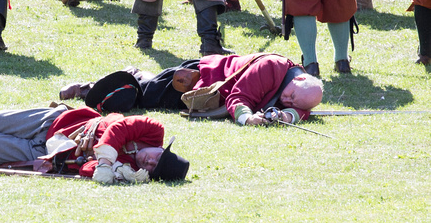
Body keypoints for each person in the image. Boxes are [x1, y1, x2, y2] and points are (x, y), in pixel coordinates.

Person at [60, 52, 324, 125]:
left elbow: (302, 110)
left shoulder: (299, 93)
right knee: (145, 98)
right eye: (289, 96)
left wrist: (287, 115)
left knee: (150, 92)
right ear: (299, 79)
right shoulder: (271, 67)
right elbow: (237, 98)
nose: (286, 100)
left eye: (291, 102)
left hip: (204, 95)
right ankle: (89, 88)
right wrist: (247, 118)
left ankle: (138, 74)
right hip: (199, 79)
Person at [0, 104, 190, 185]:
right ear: (162, 149)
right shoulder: (154, 130)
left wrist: (118, 172)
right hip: (55, 121)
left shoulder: (131, 171)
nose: (149, 161)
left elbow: (85, 169)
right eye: (156, 158)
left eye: (152, 168)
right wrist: (107, 161)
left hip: (48, 152)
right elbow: (120, 127)